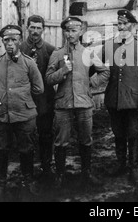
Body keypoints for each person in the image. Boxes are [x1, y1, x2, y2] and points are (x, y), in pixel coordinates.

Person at [46, 16, 109, 187]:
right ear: (64, 32)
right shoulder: (57, 54)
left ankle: (86, 173)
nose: (70, 34)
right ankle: (60, 175)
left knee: (86, 139)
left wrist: (90, 84)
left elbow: (104, 72)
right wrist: (62, 71)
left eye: (74, 30)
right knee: (61, 141)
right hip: (63, 104)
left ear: (80, 32)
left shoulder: (88, 53)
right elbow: (49, 79)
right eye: (67, 30)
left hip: (84, 103)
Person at [0, 25, 44, 201]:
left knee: (27, 149)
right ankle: (0, 186)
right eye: (6, 40)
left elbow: (39, 88)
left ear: (19, 41)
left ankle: (28, 182)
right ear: (2, 41)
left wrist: (20, 95)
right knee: (1, 150)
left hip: (24, 115)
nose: (10, 44)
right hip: (1, 114)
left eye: (14, 40)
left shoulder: (29, 63)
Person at [103, 9, 138, 183]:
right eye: (119, 24)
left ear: (133, 25)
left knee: (133, 131)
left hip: (133, 98)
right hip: (114, 97)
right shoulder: (110, 45)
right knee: (118, 132)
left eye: (125, 24)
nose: (122, 27)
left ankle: (134, 167)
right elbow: (96, 64)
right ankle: (121, 164)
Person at [19, 15, 56, 181]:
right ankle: (26, 172)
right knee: (25, 136)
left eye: (38, 28)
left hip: (44, 101)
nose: (35, 31)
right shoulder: (19, 48)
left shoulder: (50, 49)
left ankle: (46, 167)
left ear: (43, 29)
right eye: (32, 27)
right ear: (27, 28)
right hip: (24, 101)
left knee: (46, 134)